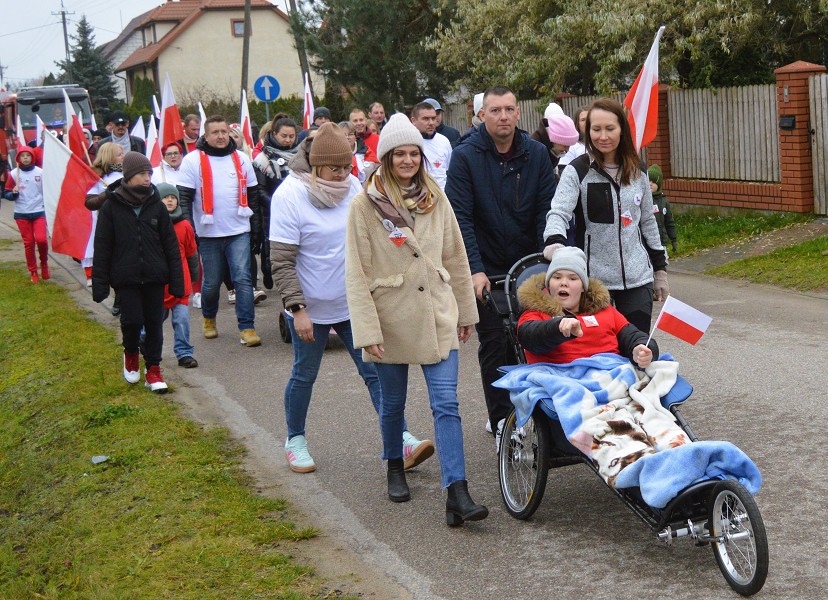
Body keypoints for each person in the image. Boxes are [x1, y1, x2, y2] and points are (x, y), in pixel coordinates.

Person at [345, 114, 488, 526]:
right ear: (386, 157)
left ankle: (456, 491)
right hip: (391, 317)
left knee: (447, 403)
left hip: (438, 310)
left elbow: (455, 256)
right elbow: (356, 270)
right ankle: (393, 463)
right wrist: (367, 329)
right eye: (399, 154)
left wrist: (465, 310)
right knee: (393, 403)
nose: (408, 160)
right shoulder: (365, 204)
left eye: (414, 153)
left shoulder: (435, 197)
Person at [270, 122, 434, 474]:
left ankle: (400, 440)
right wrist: (297, 310)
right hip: (310, 305)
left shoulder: (353, 189)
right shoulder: (289, 196)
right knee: (305, 373)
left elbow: (380, 234)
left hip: (352, 304)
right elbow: (281, 261)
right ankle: (295, 439)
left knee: (376, 374)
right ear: (315, 165)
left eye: (347, 167)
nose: (342, 174)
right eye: (334, 168)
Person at [445, 85, 556, 446]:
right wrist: (473, 269)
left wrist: (545, 259)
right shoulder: (465, 157)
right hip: (486, 268)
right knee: (495, 344)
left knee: (536, 338)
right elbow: (460, 218)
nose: (503, 117)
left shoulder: (537, 154)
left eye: (509, 109)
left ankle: (542, 414)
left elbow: (545, 209)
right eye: (495, 111)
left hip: (529, 265)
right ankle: (500, 422)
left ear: (519, 113)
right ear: (481, 116)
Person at [543, 97, 669, 334]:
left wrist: (660, 269)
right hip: (593, 281)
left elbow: (648, 221)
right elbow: (559, 212)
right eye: (596, 129)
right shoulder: (578, 171)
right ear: (587, 131)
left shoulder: (639, 171)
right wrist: (554, 241)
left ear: (622, 129)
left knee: (635, 347)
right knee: (599, 349)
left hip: (637, 279)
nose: (603, 136)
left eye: (610, 128)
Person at [91, 152, 184, 393]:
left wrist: (177, 280)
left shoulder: (157, 204)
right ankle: (131, 351)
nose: (147, 178)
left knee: (154, 323)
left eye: (149, 173)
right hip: (126, 277)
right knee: (131, 320)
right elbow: (102, 245)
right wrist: (100, 283)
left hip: (155, 275)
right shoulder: (112, 206)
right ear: (129, 176)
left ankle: (153, 370)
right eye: (142, 174)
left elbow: (170, 245)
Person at [177, 115, 263, 347]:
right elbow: (183, 198)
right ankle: (209, 318)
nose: (221, 136)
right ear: (205, 135)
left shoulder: (242, 158)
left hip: (239, 231)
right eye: (215, 132)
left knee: (243, 280)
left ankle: (247, 327)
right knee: (211, 283)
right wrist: (190, 229)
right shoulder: (192, 160)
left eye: (224, 131)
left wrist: (256, 230)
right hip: (207, 235)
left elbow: (253, 196)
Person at [516, 247, 658, 366]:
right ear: (548, 284)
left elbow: (633, 336)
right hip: (562, 377)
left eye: (572, 278)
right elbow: (528, 338)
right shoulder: (535, 312)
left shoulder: (605, 310)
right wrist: (557, 327)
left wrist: (642, 349)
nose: (564, 283)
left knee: (663, 371)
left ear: (583, 287)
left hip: (611, 372)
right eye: (557, 277)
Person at [253, 115, 299, 289]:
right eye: (284, 136)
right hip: (271, 209)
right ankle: (268, 270)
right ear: (274, 134)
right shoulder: (262, 159)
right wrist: (278, 203)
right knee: (272, 245)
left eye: (291, 136)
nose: (288, 140)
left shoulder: (302, 155)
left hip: (297, 209)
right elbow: (260, 190)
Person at [157, 182, 199, 368]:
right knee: (155, 321)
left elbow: (191, 253)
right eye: (166, 197)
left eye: (173, 197)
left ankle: (184, 353)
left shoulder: (185, 226)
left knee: (181, 320)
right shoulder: (153, 224)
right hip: (159, 285)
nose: (170, 200)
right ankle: (147, 344)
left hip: (181, 283)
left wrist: (194, 273)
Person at [3, 146, 49, 282]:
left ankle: (44, 264)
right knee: (29, 243)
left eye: (28, 156)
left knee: (41, 240)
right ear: (18, 158)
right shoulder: (13, 174)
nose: (25, 158)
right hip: (22, 213)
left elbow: (47, 190)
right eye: (22, 156)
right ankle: (33, 271)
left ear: (32, 157)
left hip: (38, 211)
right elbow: (6, 193)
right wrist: (13, 194)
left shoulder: (40, 172)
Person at [85, 142, 125, 290]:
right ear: (110, 157)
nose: (123, 157)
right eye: (120, 154)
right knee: (111, 260)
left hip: (126, 223)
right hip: (105, 223)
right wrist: (107, 195)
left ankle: (122, 296)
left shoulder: (128, 173)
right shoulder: (97, 177)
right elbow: (90, 202)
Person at [410, 101, 452, 190]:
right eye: (426, 119)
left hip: (443, 198)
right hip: (418, 198)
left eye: (433, 118)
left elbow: (449, 171)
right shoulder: (408, 143)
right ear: (414, 121)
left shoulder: (444, 141)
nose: (431, 123)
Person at [531, 113, 580, 178]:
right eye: (565, 145)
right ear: (555, 139)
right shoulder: (534, 151)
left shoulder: (552, 149)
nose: (567, 150)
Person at [647, 164, 678, 255]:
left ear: (659, 184)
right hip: (647, 241)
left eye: (653, 181)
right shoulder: (643, 200)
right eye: (648, 180)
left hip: (661, 241)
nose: (650, 184)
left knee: (662, 263)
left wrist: (673, 239)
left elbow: (669, 222)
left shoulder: (664, 201)